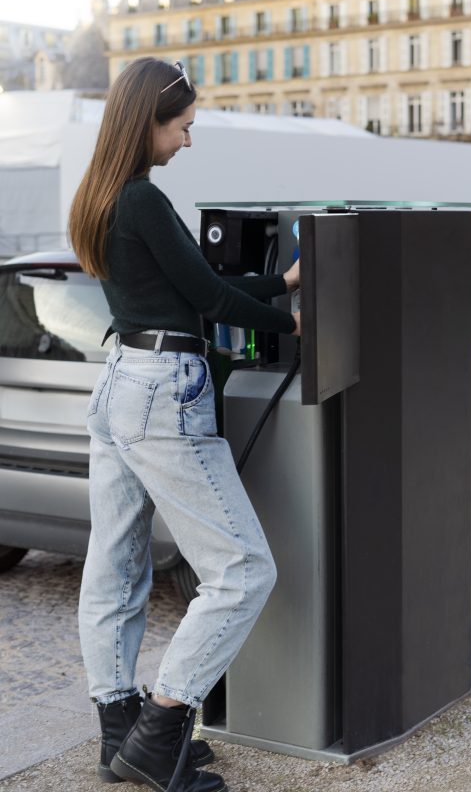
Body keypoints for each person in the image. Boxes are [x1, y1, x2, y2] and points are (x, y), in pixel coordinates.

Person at [69, 59, 300, 792]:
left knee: (115, 568)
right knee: (243, 571)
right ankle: (159, 729)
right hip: (164, 392)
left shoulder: (101, 195)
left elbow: (193, 282)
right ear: (150, 122)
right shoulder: (141, 199)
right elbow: (207, 296)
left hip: (120, 385)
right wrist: (288, 318)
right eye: (184, 126)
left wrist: (281, 280)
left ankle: (119, 736)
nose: (189, 140)